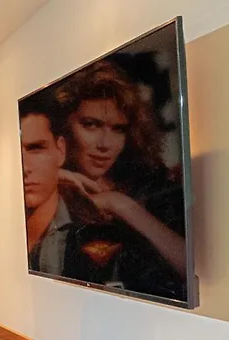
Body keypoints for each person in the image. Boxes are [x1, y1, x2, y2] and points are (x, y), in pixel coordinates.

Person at [53, 59, 187, 299]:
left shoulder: (153, 184)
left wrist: (121, 205)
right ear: (63, 128)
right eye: (91, 125)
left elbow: (194, 269)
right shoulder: (49, 189)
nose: (105, 144)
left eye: (118, 129)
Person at [19, 93, 95, 280]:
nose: (24, 168)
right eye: (14, 153)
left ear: (60, 150)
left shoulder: (92, 233)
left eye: (36, 148)